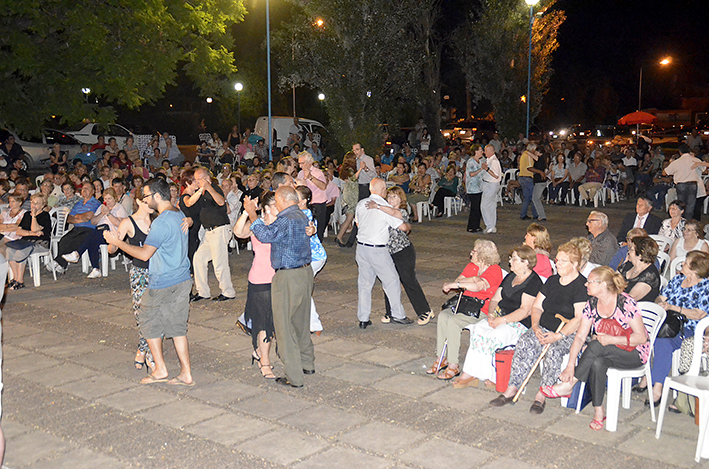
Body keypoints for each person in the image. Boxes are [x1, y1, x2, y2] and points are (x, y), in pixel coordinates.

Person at [104, 178, 194, 386]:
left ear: (156, 196)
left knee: (148, 321)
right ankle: (186, 373)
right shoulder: (178, 214)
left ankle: (161, 368)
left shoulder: (161, 222)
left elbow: (145, 255)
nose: (143, 200)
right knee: (178, 328)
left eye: (145, 196)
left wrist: (118, 242)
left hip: (163, 281)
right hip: (182, 278)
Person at [543, 266, 649, 430]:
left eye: (590, 282)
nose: (586, 285)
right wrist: (570, 366)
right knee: (597, 361)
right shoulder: (591, 304)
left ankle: (569, 385)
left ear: (603, 285)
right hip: (605, 350)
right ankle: (599, 411)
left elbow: (641, 337)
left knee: (596, 344)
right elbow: (579, 337)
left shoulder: (625, 303)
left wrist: (612, 339)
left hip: (634, 353)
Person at [489, 242, 589, 414]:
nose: (557, 263)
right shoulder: (552, 281)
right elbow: (537, 307)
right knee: (525, 342)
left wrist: (558, 336)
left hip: (568, 332)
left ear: (575, 265)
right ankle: (512, 388)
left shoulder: (581, 285)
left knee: (553, 351)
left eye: (563, 261)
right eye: (557, 260)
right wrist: (535, 327)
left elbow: (579, 318)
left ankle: (542, 394)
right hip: (544, 326)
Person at [245, 186, 314, 388]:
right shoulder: (301, 215)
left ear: (283, 200)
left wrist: (252, 213)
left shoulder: (286, 219)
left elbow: (266, 235)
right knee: (301, 321)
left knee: (284, 327)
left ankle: (294, 376)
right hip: (305, 272)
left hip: (288, 276)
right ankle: (307, 363)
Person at [454, 245, 543, 388]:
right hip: (501, 316)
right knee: (478, 329)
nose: (510, 262)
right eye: (510, 258)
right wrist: (491, 314)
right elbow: (495, 299)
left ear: (526, 262)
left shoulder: (533, 282)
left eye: (514, 259)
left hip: (520, 322)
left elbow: (525, 310)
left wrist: (502, 320)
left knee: (497, 334)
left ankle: (494, 374)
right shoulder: (511, 276)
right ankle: (471, 372)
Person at [634, 251, 709, 406]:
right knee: (643, 331)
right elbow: (662, 296)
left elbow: (698, 314)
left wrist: (673, 307)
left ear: (695, 269)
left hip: (688, 328)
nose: (682, 264)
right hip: (667, 322)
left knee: (663, 343)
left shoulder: (705, 287)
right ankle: (645, 374)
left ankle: (657, 387)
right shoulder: (678, 280)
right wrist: (660, 303)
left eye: (686, 263)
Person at [427, 239, 503, 380]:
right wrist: (471, 279)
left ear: (483, 254)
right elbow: (459, 281)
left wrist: (470, 281)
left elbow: (479, 286)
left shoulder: (495, 270)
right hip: (465, 304)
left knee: (454, 321)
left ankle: (453, 364)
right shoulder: (472, 266)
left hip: (482, 308)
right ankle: (441, 357)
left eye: (473, 251)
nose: (471, 253)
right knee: (444, 315)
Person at [367, 186, 433, 326]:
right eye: (389, 196)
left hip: (403, 251)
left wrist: (377, 206)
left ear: (401, 200)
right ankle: (390, 312)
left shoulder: (401, 211)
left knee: (408, 280)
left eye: (395, 197)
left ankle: (425, 311)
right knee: (389, 281)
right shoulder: (383, 211)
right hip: (388, 252)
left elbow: (396, 216)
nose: (391, 199)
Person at [107, 187, 155, 371]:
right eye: (146, 201)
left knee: (154, 314)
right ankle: (148, 351)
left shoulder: (157, 220)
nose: (150, 205)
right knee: (141, 313)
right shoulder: (128, 222)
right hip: (139, 273)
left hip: (158, 272)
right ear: (139, 202)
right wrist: (112, 240)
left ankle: (145, 350)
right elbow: (113, 249)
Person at [354, 178, 412, 328]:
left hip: (361, 247)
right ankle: (398, 315)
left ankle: (363, 318)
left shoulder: (361, 204)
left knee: (365, 284)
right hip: (377, 249)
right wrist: (407, 225)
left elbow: (358, 223)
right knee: (392, 281)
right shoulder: (383, 207)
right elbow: (401, 227)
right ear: (382, 190)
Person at [233, 192, 278, 379]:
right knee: (263, 324)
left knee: (272, 322)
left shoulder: (282, 224)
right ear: (267, 207)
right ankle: (265, 362)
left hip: (279, 279)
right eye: (277, 204)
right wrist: (246, 212)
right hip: (260, 279)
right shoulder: (257, 224)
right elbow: (238, 232)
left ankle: (259, 352)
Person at [190, 167, 236, 302]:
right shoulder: (201, 192)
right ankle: (203, 291)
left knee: (219, 263)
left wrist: (209, 187)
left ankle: (228, 292)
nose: (197, 182)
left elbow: (221, 202)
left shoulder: (214, 188)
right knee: (198, 258)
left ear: (206, 178)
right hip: (209, 232)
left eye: (199, 179)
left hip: (220, 229)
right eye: (196, 180)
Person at [62, 187, 127, 278]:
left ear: (114, 198)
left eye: (109, 199)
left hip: (111, 233)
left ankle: (77, 254)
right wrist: (102, 214)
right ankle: (95, 269)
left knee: (91, 236)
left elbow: (120, 223)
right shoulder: (102, 207)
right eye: (105, 199)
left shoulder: (119, 207)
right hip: (99, 231)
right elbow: (93, 222)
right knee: (92, 239)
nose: (107, 201)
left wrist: (108, 214)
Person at [49, 184, 101, 274]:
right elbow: (69, 218)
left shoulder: (95, 203)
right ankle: (62, 265)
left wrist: (77, 217)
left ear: (93, 191)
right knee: (64, 240)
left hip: (89, 229)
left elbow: (89, 216)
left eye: (87, 188)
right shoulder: (78, 203)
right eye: (83, 188)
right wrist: (80, 219)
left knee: (76, 241)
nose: (84, 190)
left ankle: (57, 261)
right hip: (77, 227)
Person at [295, 185, 325, 334]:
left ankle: (314, 324)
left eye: (297, 197)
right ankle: (310, 323)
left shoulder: (304, 215)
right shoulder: (299, 212)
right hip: (310, 257)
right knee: (301, 290)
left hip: (314, 257)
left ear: (305, 200)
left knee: (302, 290)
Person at [5, 194, 52, 290]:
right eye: (32, 202)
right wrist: (30, 233)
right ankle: (15, 277)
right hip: (26, 241)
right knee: (9, 250)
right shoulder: (26, 215)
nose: (33, 205)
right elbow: (18, 231)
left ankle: (20, 280)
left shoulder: (44, 215)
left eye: (36, 203)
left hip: (40, 243)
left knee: (21, 251)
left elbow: (35, 228)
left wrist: (34, 217)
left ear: (42, 205)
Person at [664, 144, 702, 219]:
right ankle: (688, 223)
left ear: (680, 152)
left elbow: (664, 172)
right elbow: (705, 171)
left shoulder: (677, 162)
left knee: (681, 206)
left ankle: (681, 222)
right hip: (692, 184)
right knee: (690, 207)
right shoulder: (695, 159)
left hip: (681, 185)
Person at [297, 151, 328, 242]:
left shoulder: (318, 173)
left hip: (318, 204)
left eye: (303, 163)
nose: (301, 166)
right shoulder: (300, 174)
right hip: (305, 204)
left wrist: (310, 177)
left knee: (318, 229)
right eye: (299, 163)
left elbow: (323, 186)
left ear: (310, 162)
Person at [619, 236, 661, 302]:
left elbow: (629, 299)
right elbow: (612, 279)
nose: (628, 252)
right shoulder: (629, 264)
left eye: (631, 250)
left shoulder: (650, 275)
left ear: (640, 254)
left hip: (635, 309)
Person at [481, 144, 502, 234]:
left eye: (485, 151)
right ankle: (492, 226)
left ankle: (489, 225)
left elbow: (496, 175)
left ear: (491, 151)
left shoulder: (494, 161)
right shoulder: (490, 160)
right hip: (491, 184)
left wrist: (486, 169)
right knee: (492, 206)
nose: (484, 152)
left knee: (484, 205)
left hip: (491, 184)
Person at [465, 146, 484, 233]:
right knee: (474, 208)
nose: (482, 152)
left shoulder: (479, 161)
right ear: (476, 151)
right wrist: (481, 169)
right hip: (472, 188)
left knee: (478, 207)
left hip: (479, 187)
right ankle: (471, 226)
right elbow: (471, 174)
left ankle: (476, 225)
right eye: (480, 150)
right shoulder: (471, 162)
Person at [517, 143, 537, 220]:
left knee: (527, 197)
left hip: (522, 176)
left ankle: (523, 214)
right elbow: (529, 167)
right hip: (527, 177)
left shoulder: (524, 155)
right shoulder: (528, 156)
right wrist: (538, 171)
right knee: (532, 197)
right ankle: (535, 214)